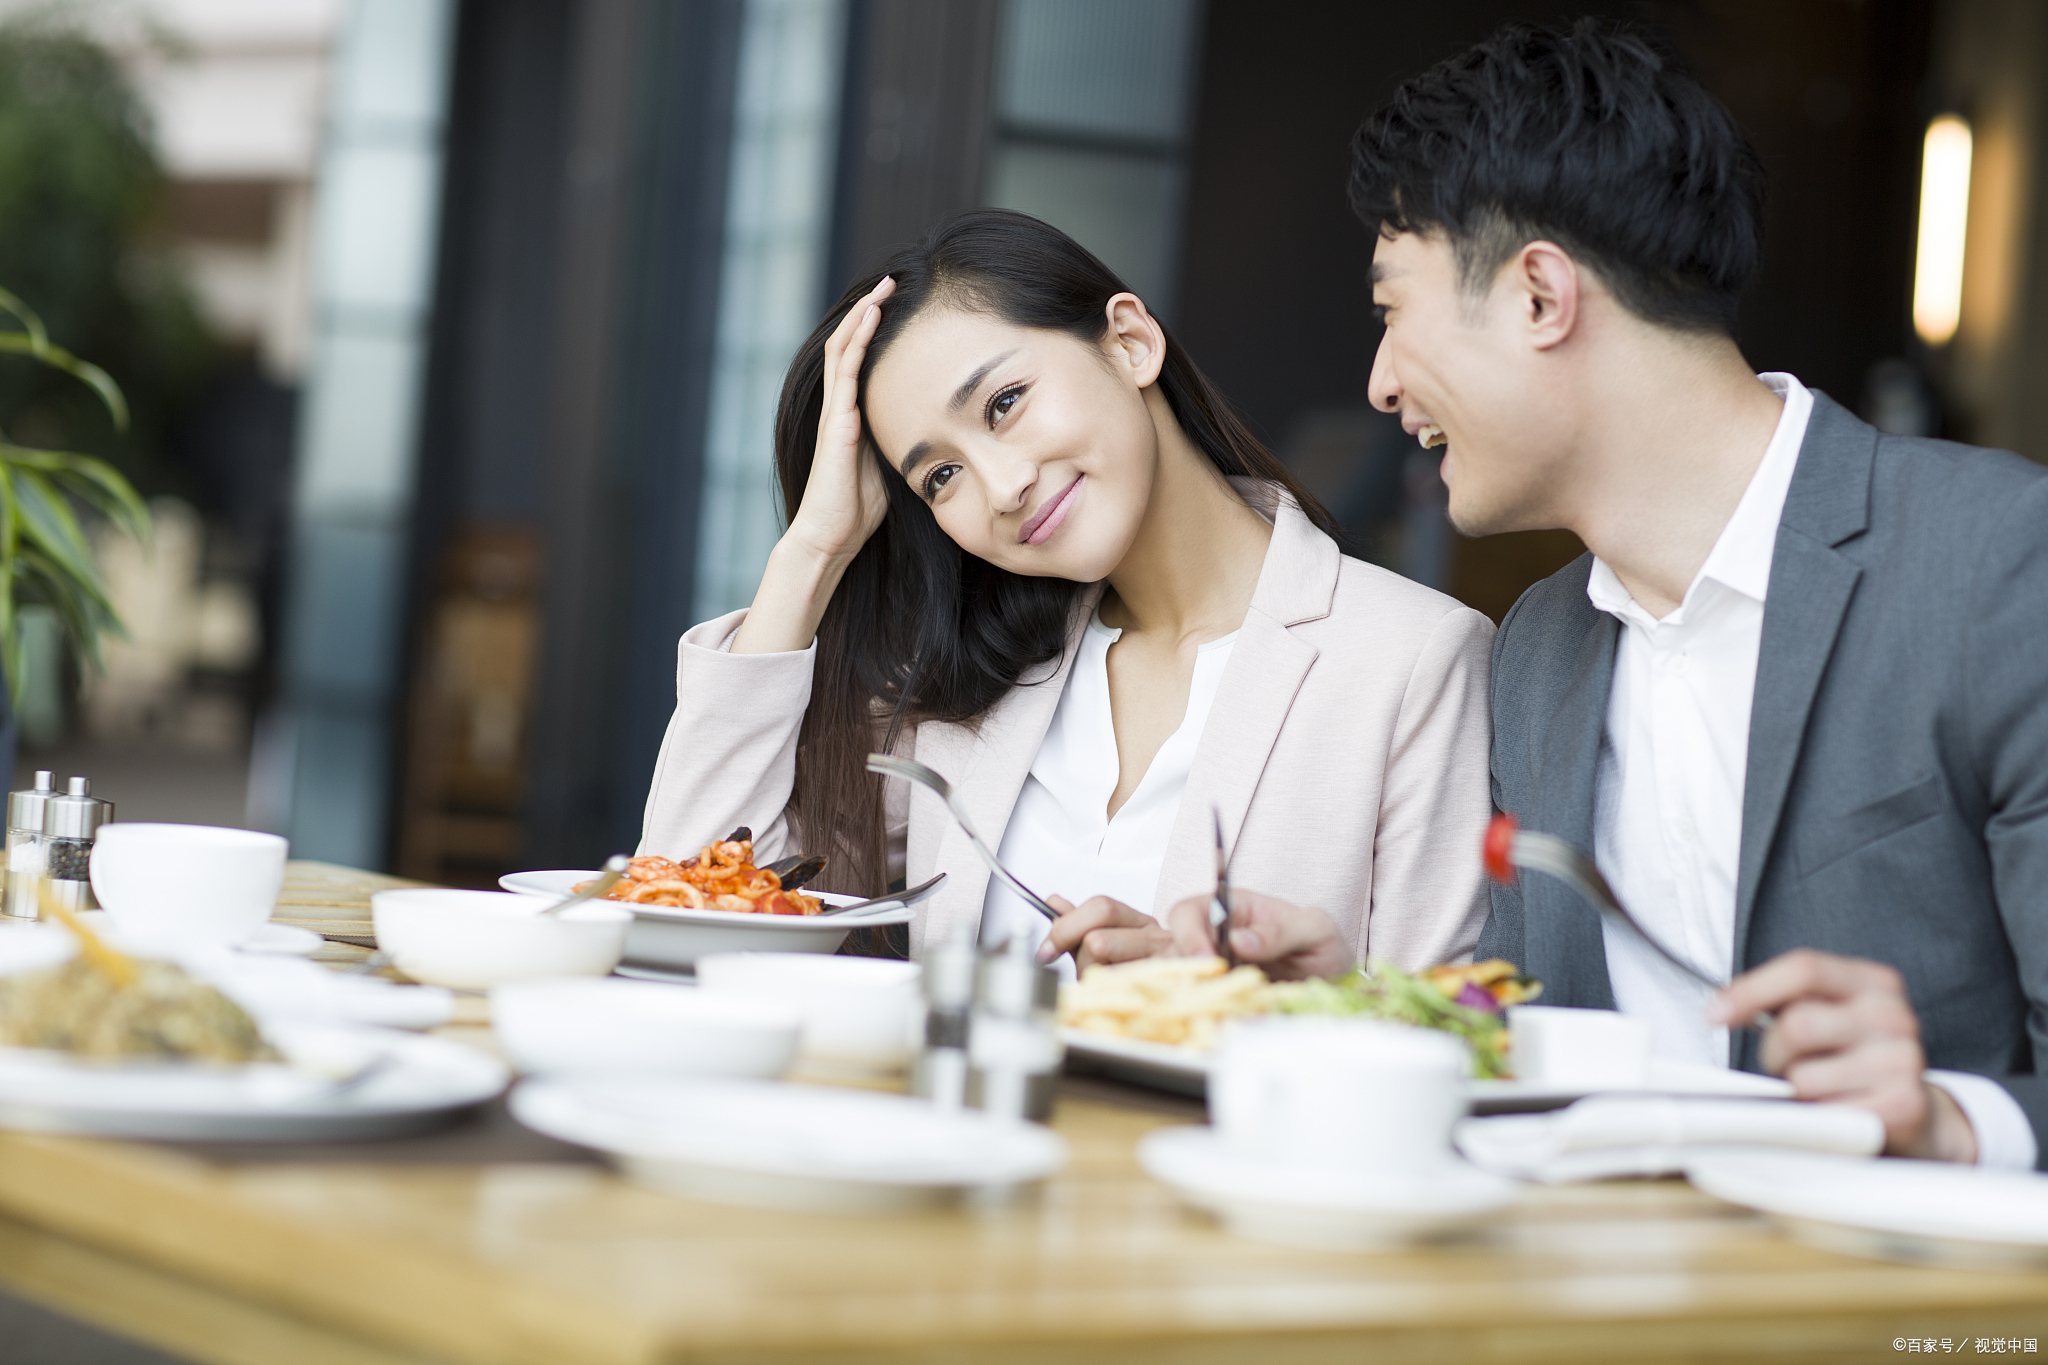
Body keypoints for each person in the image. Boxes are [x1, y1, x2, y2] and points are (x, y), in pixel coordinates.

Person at [1181, 20, 2048, 1169]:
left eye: (1392, 309)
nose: (1381, 383)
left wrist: (1945, 1121)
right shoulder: (1538, 648)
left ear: (1540, 295)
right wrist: (1348, 999)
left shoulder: (1998, 564)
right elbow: (1546, 1040)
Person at [639, 209, 1495, 973]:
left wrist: (1236, 1005)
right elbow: (692, 901)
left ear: (1129, 342)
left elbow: (1443, 1036)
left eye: (1004, 402)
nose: (1001, 485)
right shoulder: (977, 692)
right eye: (940, 476)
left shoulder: (1412, 658)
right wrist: (811, 553)